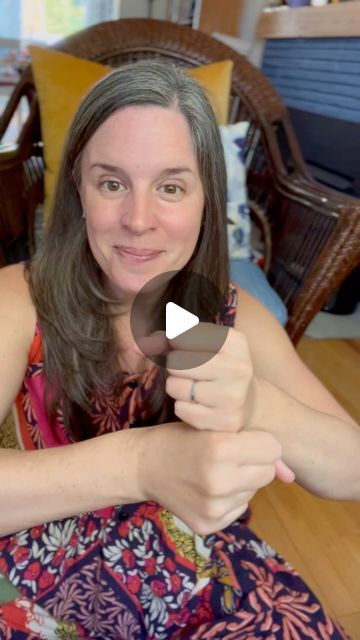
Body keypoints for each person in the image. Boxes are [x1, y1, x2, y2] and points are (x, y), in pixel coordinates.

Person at [0, 60, 358, 640]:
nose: (139, 221)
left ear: (204, 201)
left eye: (170, 187)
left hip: (202, 582)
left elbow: (352, 470)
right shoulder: (21, 300)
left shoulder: (217, 315)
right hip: (40, 584)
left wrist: (256, 405)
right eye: (112, 183)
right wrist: (142, 464)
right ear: (78, 192)